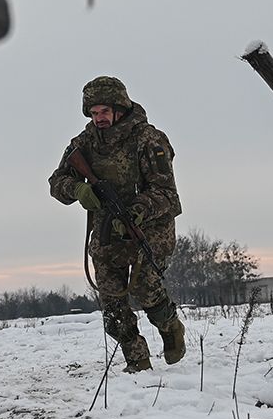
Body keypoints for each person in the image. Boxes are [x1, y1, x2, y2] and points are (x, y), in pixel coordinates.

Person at [48, 76, 186, 373]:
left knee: (147, 292)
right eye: (94, 113)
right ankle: (137, 361)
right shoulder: (83, 144)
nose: (99, 119)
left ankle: (170, 327)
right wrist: (80, 190)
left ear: (119, 108)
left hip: (149, 231)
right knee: (112, 303)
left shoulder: (149, 139)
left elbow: (167, 195)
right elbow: (57, 182)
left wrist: (138, 210)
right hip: (107, 232)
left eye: (104, 112)